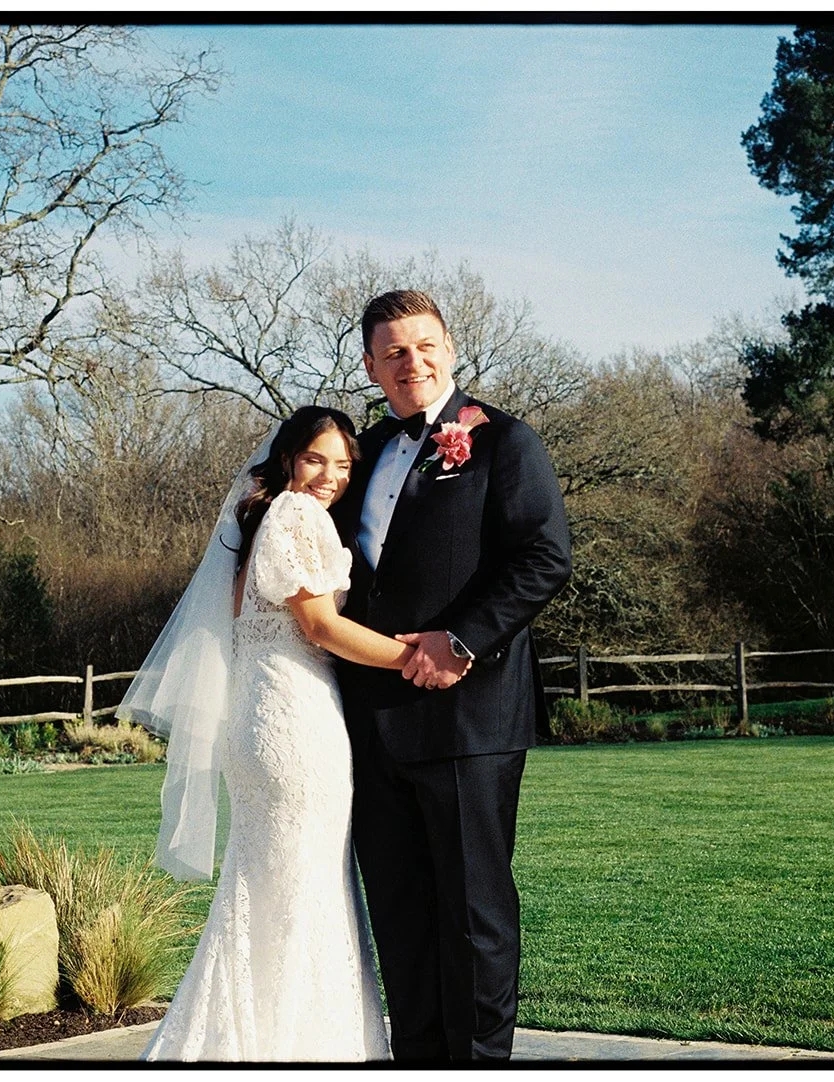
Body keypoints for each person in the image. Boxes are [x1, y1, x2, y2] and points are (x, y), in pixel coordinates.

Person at [120, 406, 412, 1061]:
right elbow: (320, 627)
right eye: (317, 459)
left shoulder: (256, 521)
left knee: (269, 886)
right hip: (295, 716)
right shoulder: (297, 514)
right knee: (305, 886)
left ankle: (253, 1041)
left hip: (256, 713)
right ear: (288, 458)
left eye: (343, 465)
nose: (330, 477)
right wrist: (416, 657)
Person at [333, 290, 572, 1061]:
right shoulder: (360, 452)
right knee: (400, 914)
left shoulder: (504, 441)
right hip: (369, 724)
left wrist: (460, 642)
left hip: (469, 719)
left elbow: (543, 557)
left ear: (451, 348)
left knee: (474, 916)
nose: (413, 363)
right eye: (393, 351)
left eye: (425, 345)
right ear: (370, 366)